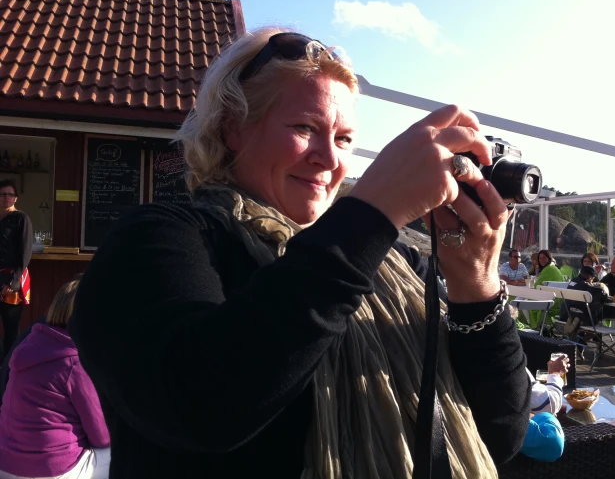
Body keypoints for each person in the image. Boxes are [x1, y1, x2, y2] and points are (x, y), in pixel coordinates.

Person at [69, 28, 530, 478]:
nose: (330, 159)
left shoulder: (393, 264)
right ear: (233, 129)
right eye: (305, 128)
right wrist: (372, 211)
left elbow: (501, 434)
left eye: (345, 139)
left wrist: (477, 285)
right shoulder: (159, 240)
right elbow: (197, 407)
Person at [0, 278, 110, 479]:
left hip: (6, 464)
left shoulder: (28, 346)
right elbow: (101, 436)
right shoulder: (75, 362)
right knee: (123, 452)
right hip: (50, 469)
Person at [0, 180, 33, 361]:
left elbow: (25, 253)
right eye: (3, 194)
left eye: (10, 194)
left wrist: (14, 281)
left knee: (11, 326)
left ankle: (10, 367)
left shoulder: (21, 218)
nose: (6, 197)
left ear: (16, 198)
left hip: (13, 278)